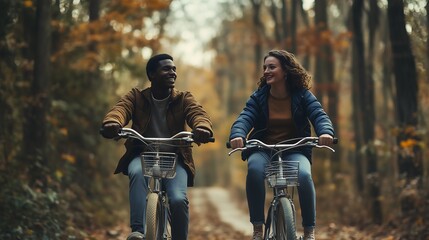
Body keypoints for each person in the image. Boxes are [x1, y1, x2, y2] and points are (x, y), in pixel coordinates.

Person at [100, 53, 214, 240]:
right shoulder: (136, 97)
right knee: (136, 173)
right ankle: (138, 231)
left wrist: (202, 128)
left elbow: (198, 113)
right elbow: (120, 109)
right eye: (167, 69)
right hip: (143, 155)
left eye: (174, 69)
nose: (173, 72)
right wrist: (113, 123)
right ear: (152, 75)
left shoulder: (183, 98)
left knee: (178, 200)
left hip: (176, 159)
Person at [228, 50, 335, 240]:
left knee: (303, 175)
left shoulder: (303, 95)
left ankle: (309, 231)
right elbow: (245, 117)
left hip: (295, 149)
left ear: (285, 71)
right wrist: (238, 134)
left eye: (272, 67)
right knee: (253, 170)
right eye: (265, 68)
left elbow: (319, 114)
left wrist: (325, 132)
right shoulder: (258, 97)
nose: (266, 71)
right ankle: (258, 228)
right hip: (264, 149)